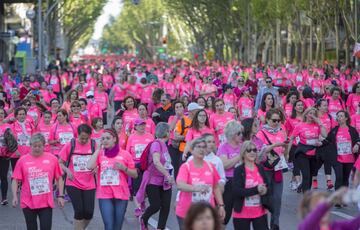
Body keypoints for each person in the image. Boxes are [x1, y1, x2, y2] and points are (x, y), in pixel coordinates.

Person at [87, 128, 138, 230]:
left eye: (108, 138)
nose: (105, 140)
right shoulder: (100, 154)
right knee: (109, 226)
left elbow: (135, 175)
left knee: (117, 227)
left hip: (121, 193)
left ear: (114, 139)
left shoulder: (125, 154)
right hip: (104, 194)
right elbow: (89, 166)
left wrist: (124, 168)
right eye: (103, 139)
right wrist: (98, 149)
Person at [11, 133, 65, 230]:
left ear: (44, 146)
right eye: (34, 146)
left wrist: (60, 195)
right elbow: (15, 179)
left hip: (46, 202)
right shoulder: (22, 160)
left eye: (40, 146)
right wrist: (14, 196)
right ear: (30, 146)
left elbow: (59, 178)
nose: (37, 148)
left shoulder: (52, 159)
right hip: (28, 201)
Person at [176, 137, 225, 228]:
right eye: (198, 147)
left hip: (206, 213)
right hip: (187, 212)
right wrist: (195, 188)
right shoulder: (186, 167)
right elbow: (180, 185)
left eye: (203, 147)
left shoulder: (210, 166)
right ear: (192, 150)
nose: (201, 150)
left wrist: (221, 205)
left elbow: (216, 187)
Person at [59, 124, 97, 230]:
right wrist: (67, 170)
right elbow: (60, 162)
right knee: (79, 211)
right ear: (77, 135)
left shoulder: (94, 145)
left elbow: (101, 161)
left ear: (90, 136)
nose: (84, 140)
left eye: (86, 138)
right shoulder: (70, 144)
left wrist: (97, 167)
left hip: (89, 183)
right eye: (81, 138)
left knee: (89, 212)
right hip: (73, 182)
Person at [256, 108, 288, 230]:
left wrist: (285, 150)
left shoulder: (281, 131)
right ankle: (263, 224)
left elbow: (284, 149)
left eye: (279, 120)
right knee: (265, 198)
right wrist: (274, 146)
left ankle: (275, 224)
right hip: (265, 169)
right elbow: (259, 152)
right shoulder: (261, 133)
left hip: (278, 168)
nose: (276, 123)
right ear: (267, 120)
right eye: (274, 120)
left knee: (277, 199)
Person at [138, 122, 173, 230]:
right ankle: (144, 218)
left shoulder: (165, 145)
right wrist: (167, 175)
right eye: (169, 131)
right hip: (152, 180)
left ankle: (160, 228)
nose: (170, 133)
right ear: (166, 133)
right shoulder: (156, 144)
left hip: (165, 181)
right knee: (155, 205)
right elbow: (156, 162)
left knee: (166, 206)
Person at [232, 140, 272, 230]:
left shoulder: (260, 168)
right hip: (242, 214)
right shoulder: (239, 170)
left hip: (260, 212)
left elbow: (268, 186)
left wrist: (265, 190)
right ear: (243, 153)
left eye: (254, 150)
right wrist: (256, 189)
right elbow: (237, 191)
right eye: (249, 150)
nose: (252, 152)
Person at [288, 107, 327, 193]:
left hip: (314, 153)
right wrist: (287, 153)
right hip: (302, 152)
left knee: (310, 175)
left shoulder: (317, 125)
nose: (311, 115)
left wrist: (319, 122)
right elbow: (292, 138)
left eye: (313, 114)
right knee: (306, 175)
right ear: (306, 114)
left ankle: (302, 186)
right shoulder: (300, 125)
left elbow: (325, 135)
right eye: (310, 113)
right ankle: (307, 196)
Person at [324, 110, 360, 193]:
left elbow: (358, 139)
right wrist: (319, 143)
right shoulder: (334, 130)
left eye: (341, 116)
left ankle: (343, 197)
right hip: (337, 158)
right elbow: (327, 140)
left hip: (349, 158)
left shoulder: (352, 130)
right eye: (338, 116)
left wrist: (357, 144)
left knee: (345, 178)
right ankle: (337, 198)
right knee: (339, 177)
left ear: (346, 118)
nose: (339, 118)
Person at [216, 120, 243, 225]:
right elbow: (225, 165)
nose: (241, 135)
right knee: (225, 216)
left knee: (241, 214)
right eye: (239, 133)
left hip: (241, 181)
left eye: (241, 132)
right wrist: (239, 156)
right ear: (232, 134)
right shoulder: (224, 147)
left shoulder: (242, 146)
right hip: (228, 182)